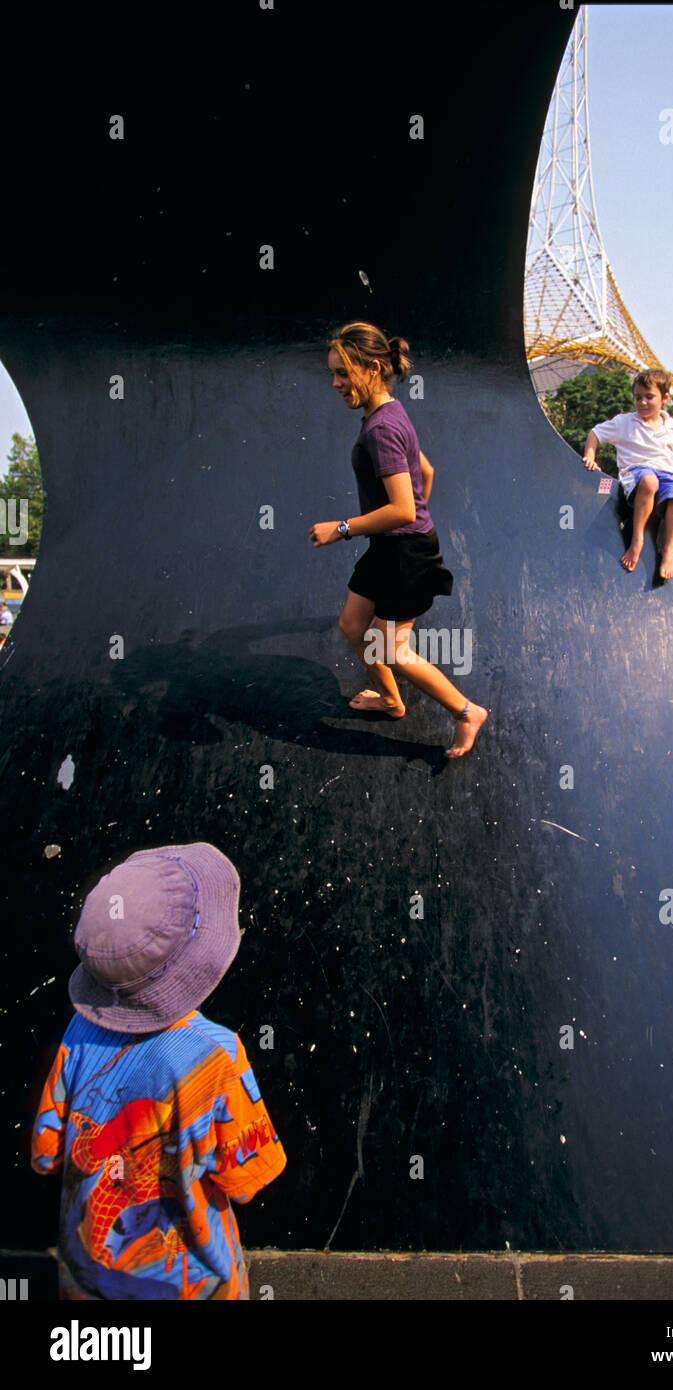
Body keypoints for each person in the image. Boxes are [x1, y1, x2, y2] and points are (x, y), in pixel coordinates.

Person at [31, 842, 286, 1299]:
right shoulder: (217, 1055)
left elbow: (47, 1153)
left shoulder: (78, 1030)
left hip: (82, 1287)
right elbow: (248, 1180)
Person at [310, 320, 488, 758]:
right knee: (354, 626)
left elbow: (404, 509)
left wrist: (342, 528)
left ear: (372, 367)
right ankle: (391, 700)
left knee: (390, 647)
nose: (335, 383)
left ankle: (467, 713)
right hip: (393, 546)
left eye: (342, 373)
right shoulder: (387, 411)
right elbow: (424, 471)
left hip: (407, 555)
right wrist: (408, 522)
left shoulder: (381, 429)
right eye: (332, 372)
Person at [583, 368, 673, 579]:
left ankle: (669, 550)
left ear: (664, 398)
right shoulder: (625, 422)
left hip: (666, 472)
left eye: (649, 397)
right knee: (649, 482)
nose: (642, 402)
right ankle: (637, 539)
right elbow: (595, 432)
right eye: (638, 397)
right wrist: (590, 456)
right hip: (636, 471)